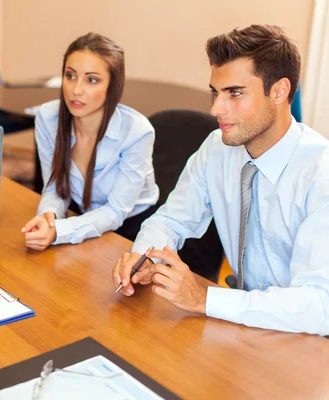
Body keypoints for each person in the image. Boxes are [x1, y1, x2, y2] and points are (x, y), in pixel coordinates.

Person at [112, 24, 329, 336]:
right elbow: (171, 220)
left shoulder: (321, 175)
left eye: (235, 93)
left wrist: (204, 299)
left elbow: (319, 306)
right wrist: (145, 256)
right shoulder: (217, 148)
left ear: (279, 91)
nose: (216, 108)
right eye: (216, 92)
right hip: (241, 326)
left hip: (308, 339)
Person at [22, 33, 159, 250]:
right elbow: (54, 188)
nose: (76, 90)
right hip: (81, 217)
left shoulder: (136, 132)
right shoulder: (47, 118)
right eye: (70, 75)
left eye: (91, 80)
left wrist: (60, 230)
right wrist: (47, 218)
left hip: (132, 226)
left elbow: (115, 211)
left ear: (112, 86)